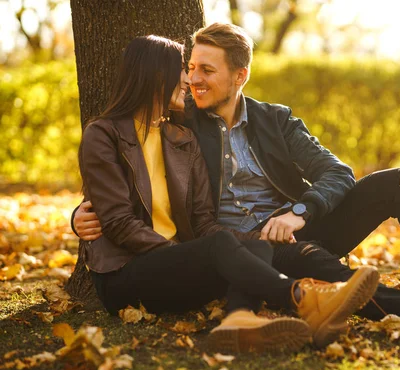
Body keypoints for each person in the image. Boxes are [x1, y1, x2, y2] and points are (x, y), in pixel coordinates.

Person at [75, 23, 400, 337]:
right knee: (327, 272)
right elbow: (128, 173)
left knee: (395, 182)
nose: (192, 80)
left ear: (240, 76)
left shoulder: (274, 121)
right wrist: (80, 215)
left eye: (204, 71)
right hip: (240, 246)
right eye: (189, 70)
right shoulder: (181, 123)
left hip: (290, 228)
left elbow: (336, 172)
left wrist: (300, 212)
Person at [77, 34, 381, 353]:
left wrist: (251, 241)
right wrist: (183, 253)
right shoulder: (104, 134)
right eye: (182, 69)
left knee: (257, 247)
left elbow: (203, 222)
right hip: (124, 273)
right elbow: (119, 223)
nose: (187, 79)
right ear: (156, 77)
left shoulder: (179, 137)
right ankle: (306, 299)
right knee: (219, 245)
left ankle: (239, 321)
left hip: (172, 267)